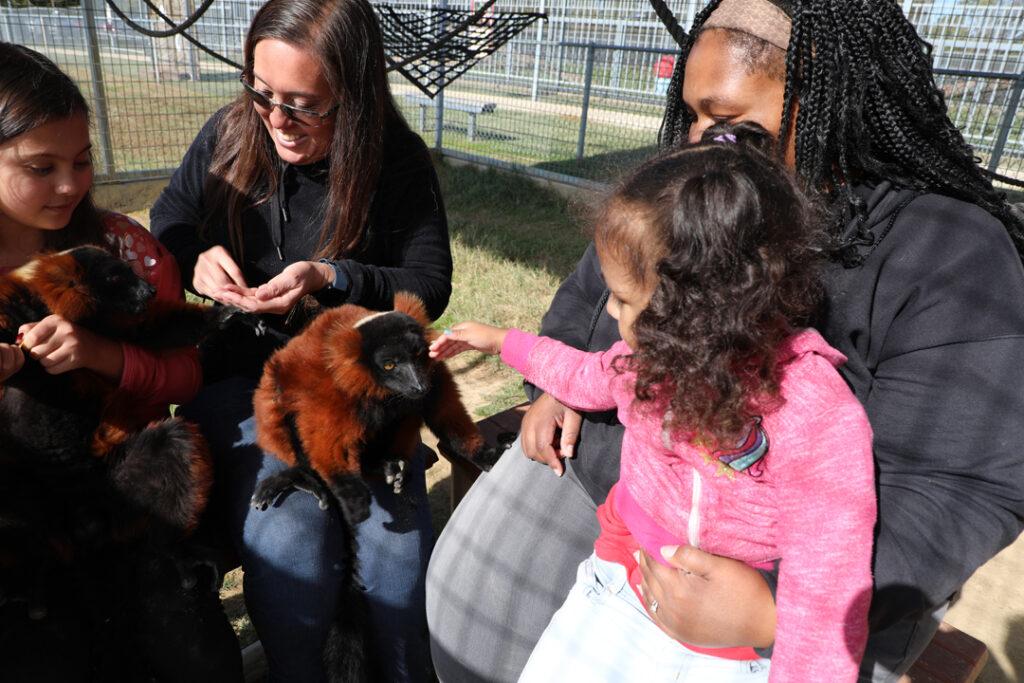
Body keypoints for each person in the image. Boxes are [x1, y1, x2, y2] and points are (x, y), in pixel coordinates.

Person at [425, 0, 1024, 681]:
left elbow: (959, 489)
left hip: (803, 577)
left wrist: (771, 610)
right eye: (693, 115)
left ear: (832, 102)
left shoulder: (952, 252)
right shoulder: (695, 195)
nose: (701, 144)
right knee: (474, 610)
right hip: (627, 494)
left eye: (733, 124)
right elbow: (588, 305)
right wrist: (552, 385)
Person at [431, 124, 876, 681]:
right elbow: (582, 373)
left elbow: (830, 579)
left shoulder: (811, 410)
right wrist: (505, 342)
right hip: (620, 585)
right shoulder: (646, 366)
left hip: (736, 648)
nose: (612, 315)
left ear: (692, 307)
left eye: (622, 298)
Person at [150, 0, 452, 680]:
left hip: (353, 391)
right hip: (240, 391)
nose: (278, 121)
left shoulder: (394, 159)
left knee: (398, 557)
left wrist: (335, 275)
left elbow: (429, 283)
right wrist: (193, 252)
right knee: (291, 543)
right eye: (263, 95)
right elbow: (168, 217)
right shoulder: (230, 133)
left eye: (304, 105)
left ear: (354, 93)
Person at [0, 42, 242, 681]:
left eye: (81, 162)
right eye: (40, 166)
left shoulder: (121, 253)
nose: (70, 185)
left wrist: (105, 355)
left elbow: (188, 372)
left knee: (194, 659)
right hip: (19, 531)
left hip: (122, 507)